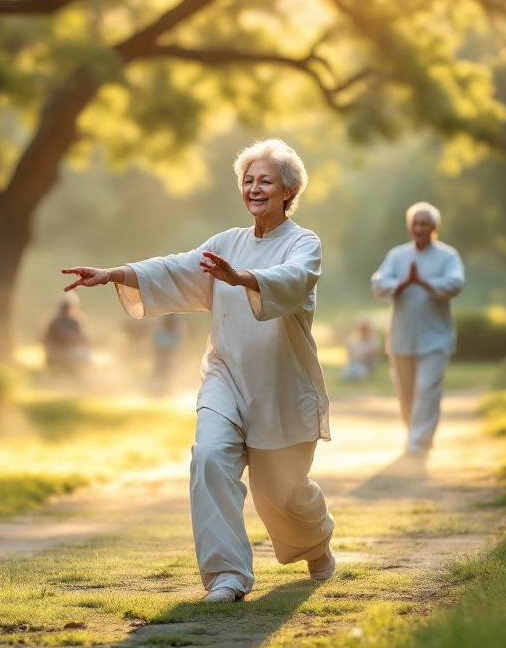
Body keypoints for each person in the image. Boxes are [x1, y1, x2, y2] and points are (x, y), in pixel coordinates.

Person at [61, 137, 336, 604]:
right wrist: (116, 273)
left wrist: (243, 278)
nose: (254, 188)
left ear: (289, 190)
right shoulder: (225, 243)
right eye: (248, 180)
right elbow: (177, 269)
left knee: (282, 495)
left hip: (281, 387)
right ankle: (227, 577)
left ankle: (316, 543)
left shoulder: (303, 243)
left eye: (265, 181)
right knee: (208, 457)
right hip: (225, 377)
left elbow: (294, 281)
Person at [370, 202, 465, 455]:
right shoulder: (398, 255)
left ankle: (418, 442)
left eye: (425, 223)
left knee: (427, 390)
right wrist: (402, 284)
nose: (420, 228)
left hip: (436, 338)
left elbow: (456, 283)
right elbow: (378, 282)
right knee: (406, 394)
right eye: (415, 223)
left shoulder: (448, 256)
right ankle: (415, 434)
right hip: (402, 338)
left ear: (434, 227)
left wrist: (424, 283)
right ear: (410, 226)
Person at [42, 293, 91, 377]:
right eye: (65, 306)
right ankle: (64, 373)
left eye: (68, 306)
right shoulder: (55, 321)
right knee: (76, 353)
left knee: (83, 353)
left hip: (71, 350)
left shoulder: (77, 321)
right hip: (57, 349)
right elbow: (55, 337)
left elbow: (83, 337)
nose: (66, 309)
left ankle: (78, 374)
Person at [152, 313, 183, 391]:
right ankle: (161, 386)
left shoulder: (169, 314)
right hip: (164, 341)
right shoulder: (170, 314)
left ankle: (165, 386)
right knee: (164, 365)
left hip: (166, 341)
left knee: (167, 365)